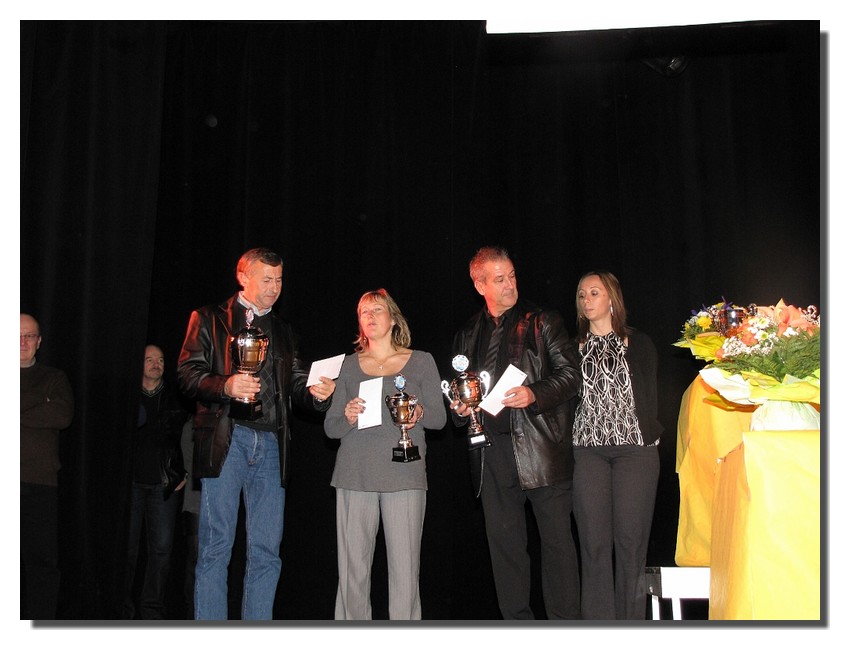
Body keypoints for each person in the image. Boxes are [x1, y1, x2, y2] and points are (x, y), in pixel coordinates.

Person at [177, 247, 336, 620]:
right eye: (266, 279)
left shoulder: (283, 330)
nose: (274, 287)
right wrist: (226, 385)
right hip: (227, 440)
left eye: (279, 280)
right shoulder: (208, 318)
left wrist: (317, 394)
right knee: (216, 546)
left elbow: (296, 384)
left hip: (271, 445)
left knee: (267, 551)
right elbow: (186, 375)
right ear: (242, 277)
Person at [449, 246, 582, 620]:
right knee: (506, 551)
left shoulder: (543, 321)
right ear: (480, 285)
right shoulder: (467, 333)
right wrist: (460, 409)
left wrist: (534, 393)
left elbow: (572, 375)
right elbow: (459, 388)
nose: (510, 284)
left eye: (511, 275)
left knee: (557, 547)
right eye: (499, 279)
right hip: (491, 454)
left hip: (541, 450)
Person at [324, 289, 446, 620]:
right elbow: (331, 428)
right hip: (354, 475)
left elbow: (439, 419)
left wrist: (419, 412)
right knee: (352, 573)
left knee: (405, 573)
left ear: (393, 318)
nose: (370, 316)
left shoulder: (421, 361)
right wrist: (347, 415)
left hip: (404, 474)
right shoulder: (348, 365)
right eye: (364, 312)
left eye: (377, 310)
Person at [571, 270, 661, 620]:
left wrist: (649, 437)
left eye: (595, 292)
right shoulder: (571, 348)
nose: (587, 299)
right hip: (588, 451)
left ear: (611, 298)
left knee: (630, 546)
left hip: (634, 452)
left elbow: (651, 397)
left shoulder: (639, 343)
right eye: (582, 294)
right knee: (593, 546)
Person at [123, 344, 189, 619]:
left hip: (164, 486)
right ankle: (123, 609)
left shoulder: (176, 398)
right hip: (131, 485)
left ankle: (152, 611)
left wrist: (184, 473)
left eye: (160, 359)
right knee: (127, 550)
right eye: (149, 359)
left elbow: (190, 434)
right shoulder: (126, 397)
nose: (156, 364)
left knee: (161, 551)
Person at [20, 312, 74, 620]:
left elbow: (62, 416)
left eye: (29, 336)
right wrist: (40, 402)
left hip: (40, 485)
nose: (23, 342)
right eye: (17, 336)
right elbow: (46, 411)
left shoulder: (54, 378)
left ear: (39, 342)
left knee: (42, 564)